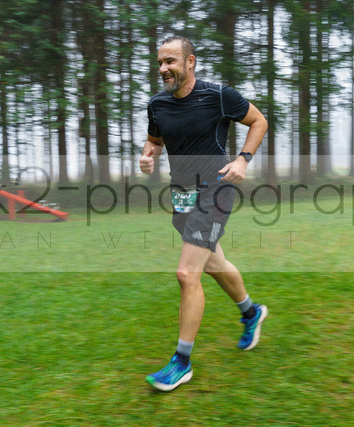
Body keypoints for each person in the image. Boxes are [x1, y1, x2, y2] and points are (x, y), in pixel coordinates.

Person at [140, 35, 269, 392]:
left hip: (215, 190)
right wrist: (148, 155)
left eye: (170, 61)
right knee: (214, 264)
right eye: (160, 62)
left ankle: (181, 362)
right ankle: (251, 313)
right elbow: (155, 140)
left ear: (190, 61)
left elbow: (259, 121)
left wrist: (243, 160)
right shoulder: (157, 105)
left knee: (187, 274)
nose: (163, 68)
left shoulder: (219, 96)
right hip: (181, 194)